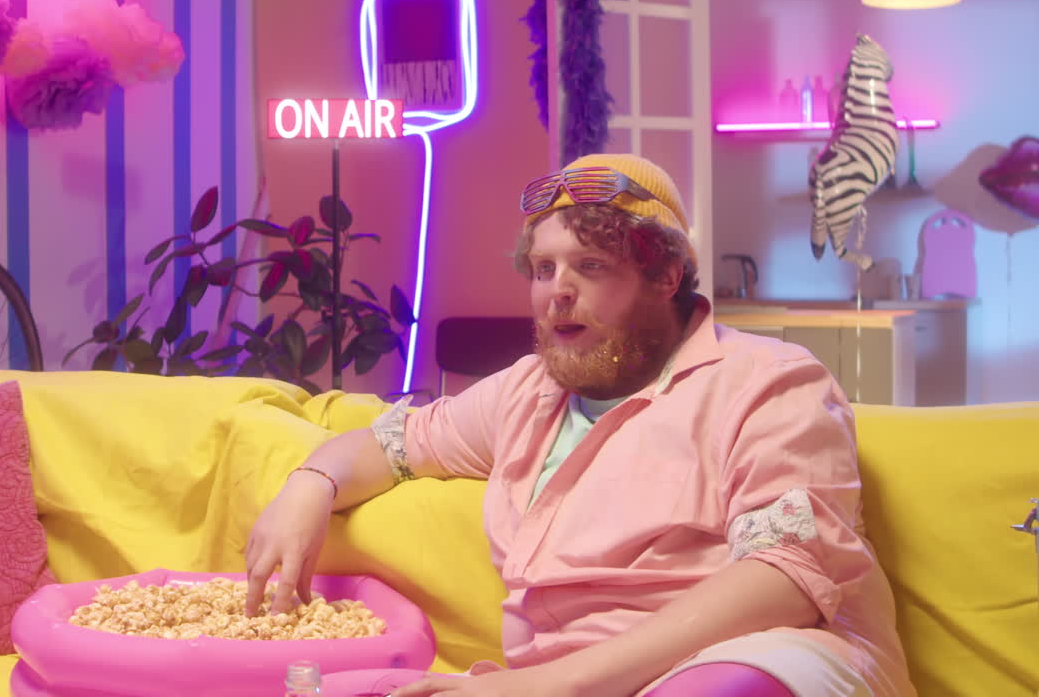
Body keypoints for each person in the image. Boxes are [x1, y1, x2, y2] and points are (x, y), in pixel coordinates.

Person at [244, 154, 914, 697]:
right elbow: (389, 446)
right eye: (543, 268)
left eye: (590, 267)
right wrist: (310, 485)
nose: (556, 290)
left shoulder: (769, 381)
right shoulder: (526, 393)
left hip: (763, 662)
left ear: (665, 276)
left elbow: (785, 580)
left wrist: (549, 686)